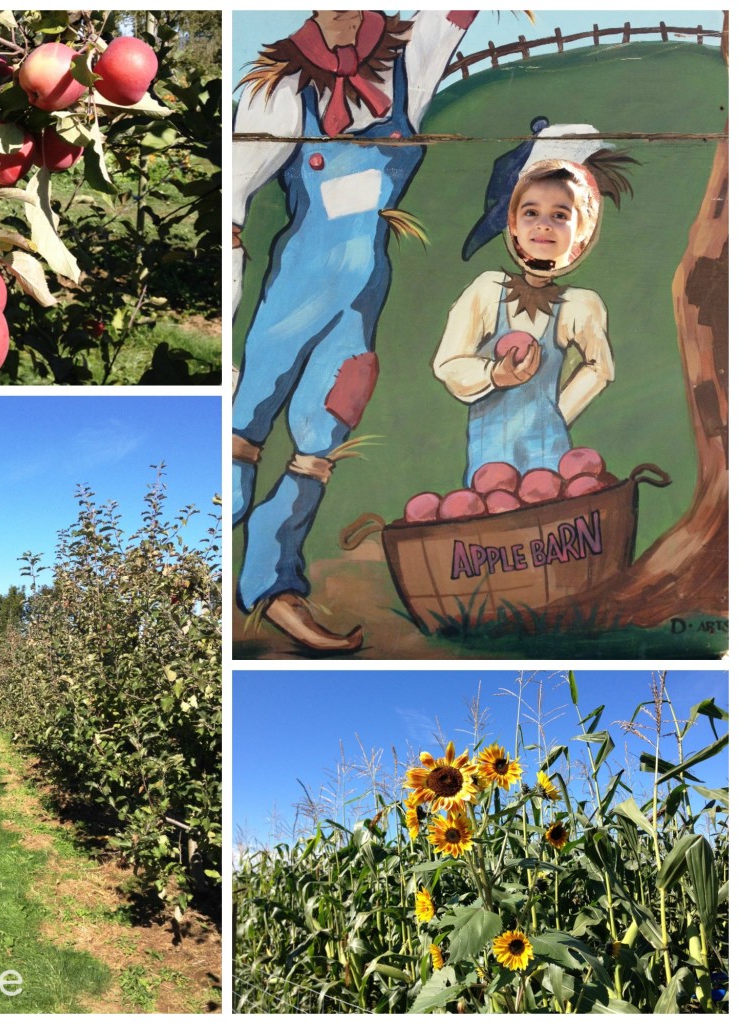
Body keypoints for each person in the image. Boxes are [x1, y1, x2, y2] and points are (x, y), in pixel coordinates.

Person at [232, 10, 476, 652]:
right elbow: (233, 193)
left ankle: (273, 585)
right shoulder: (280, 91)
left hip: (359, 304)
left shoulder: (408, 71)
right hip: (290, 296)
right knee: (244, 426)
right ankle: (190, 570)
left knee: (320, 439)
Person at [433, 156, 614, 482]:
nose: (543, 225)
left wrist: (556, 413)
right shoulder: (487, 291)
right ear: (513, 223)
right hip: (489, 461)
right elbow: (447, 363)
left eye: (560, 215)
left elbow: (599, 368)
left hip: (550, 455)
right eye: (531, 212)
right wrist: (493, 374)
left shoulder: (580, 305)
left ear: (581, 231)